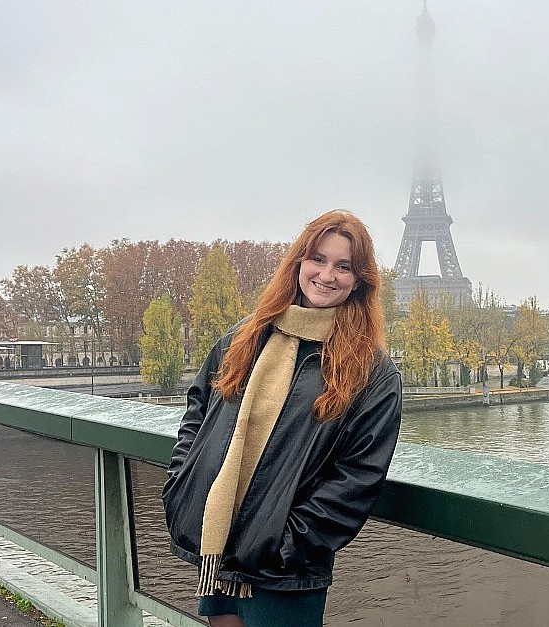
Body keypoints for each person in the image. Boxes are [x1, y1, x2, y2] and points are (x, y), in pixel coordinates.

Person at [162, 210, 402, 627]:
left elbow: (358, 475)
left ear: (360, 279)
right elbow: (199, 409)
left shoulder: (371, 370)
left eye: (343, 266)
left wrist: (285, 541)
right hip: (219, 546)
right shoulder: (245, 336)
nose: (327, 275)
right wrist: (183, 479)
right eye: (318, 259)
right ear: (298, 264)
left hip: (283, 569)